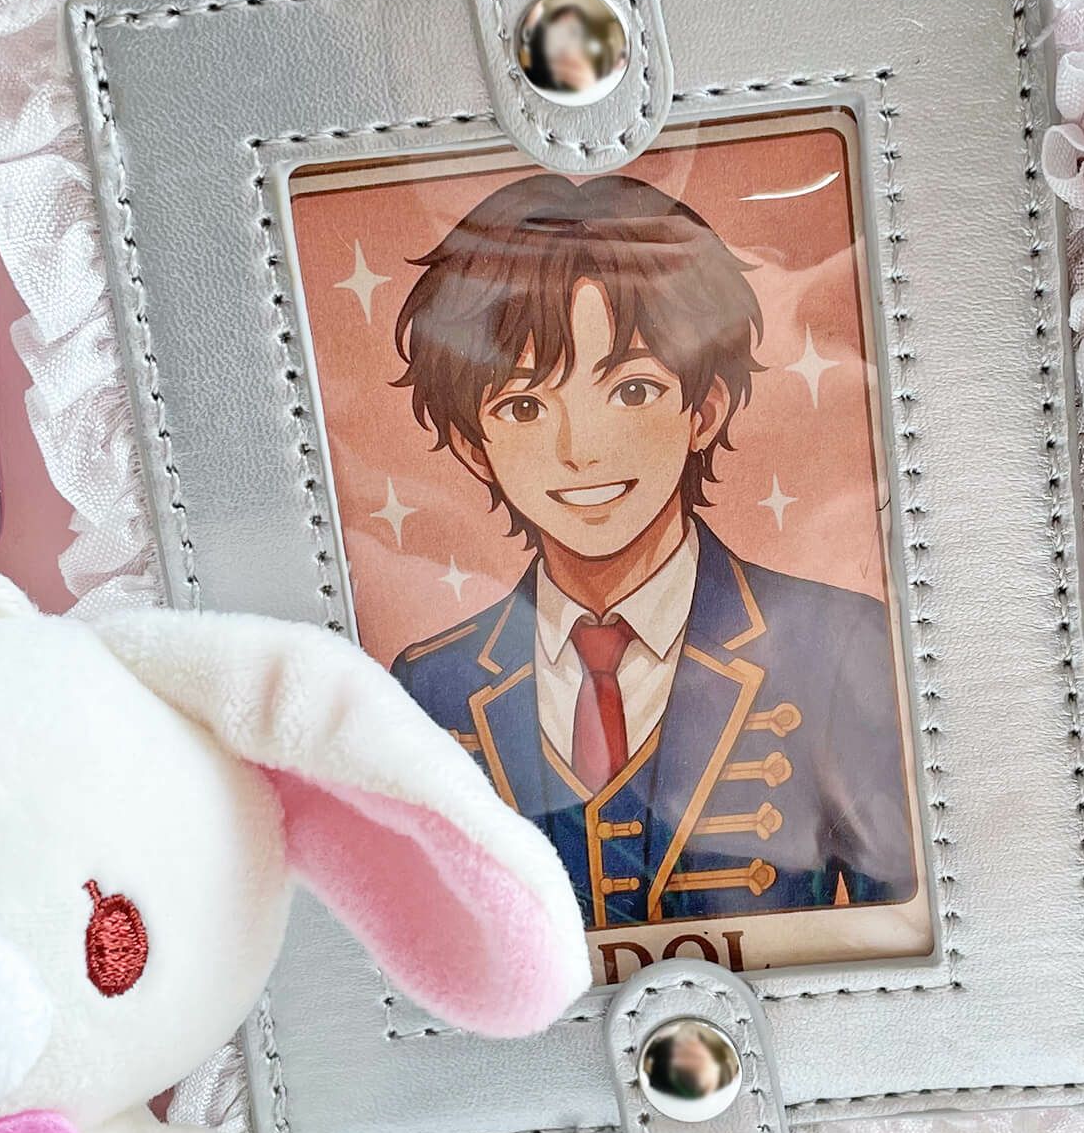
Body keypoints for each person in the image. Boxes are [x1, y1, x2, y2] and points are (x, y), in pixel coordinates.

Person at [390, 172, 916, 929]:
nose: (580, 450)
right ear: (474, 446)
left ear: (705, 409)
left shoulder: (836, 643)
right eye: (525, 406)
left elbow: (901, 932)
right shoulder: (430, 684)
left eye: (631, 391)